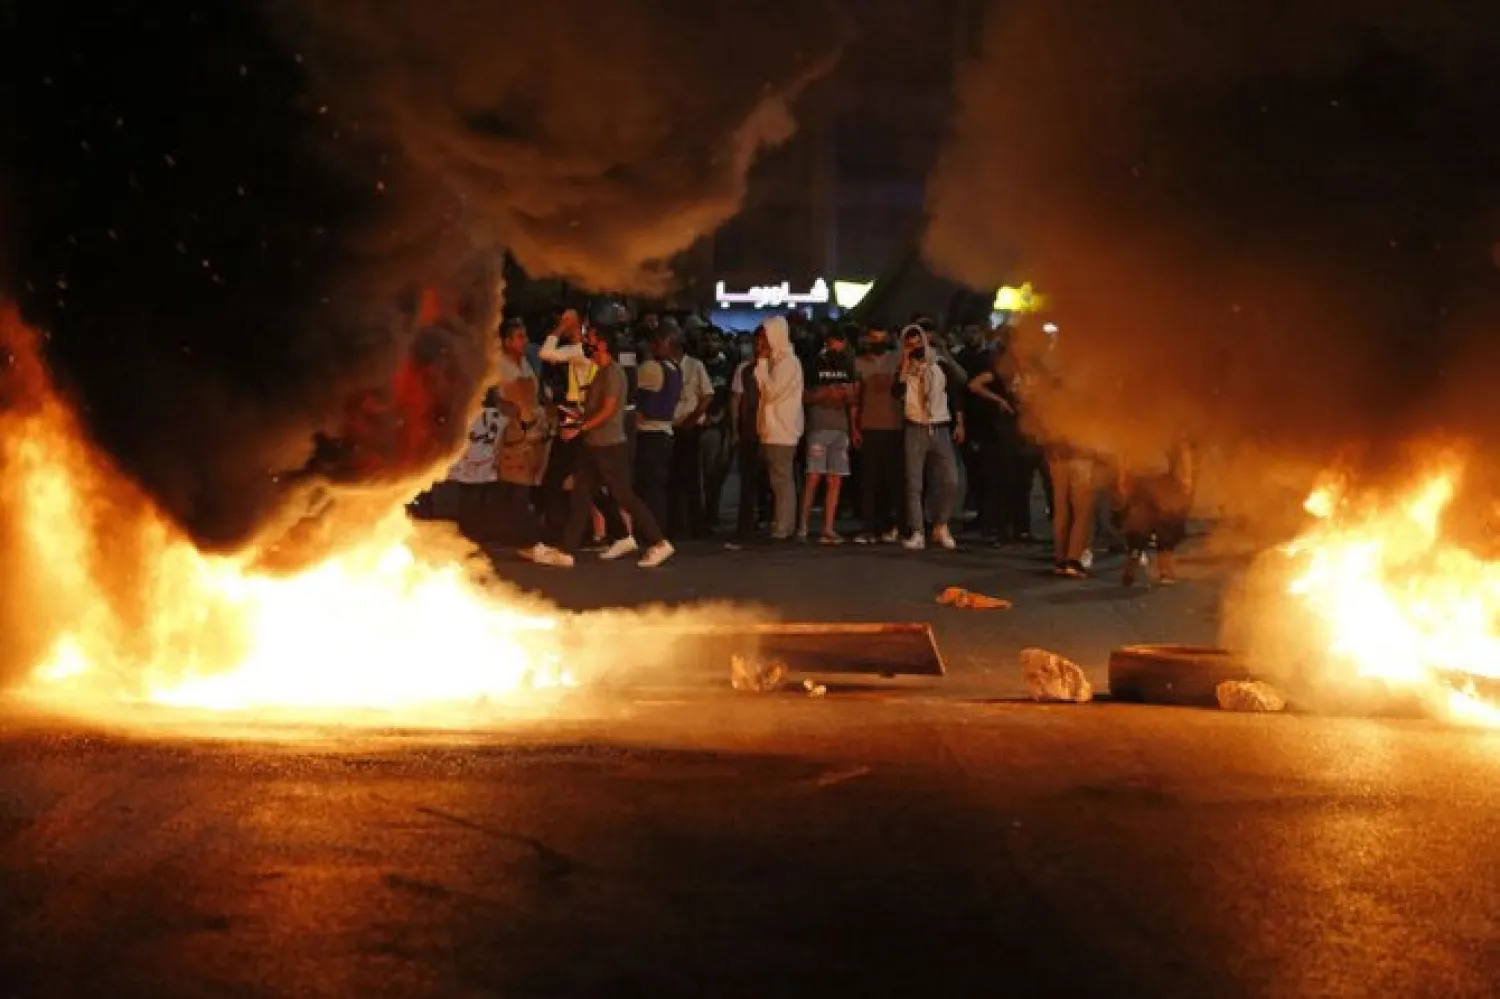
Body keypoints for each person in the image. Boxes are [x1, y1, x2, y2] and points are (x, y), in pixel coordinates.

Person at [557, 327, 674, 568]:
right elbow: (595, 408)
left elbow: (608, 410)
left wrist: (581, 427)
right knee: (584, 493)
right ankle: (569, 550)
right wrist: (575, 418)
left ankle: (659, 542)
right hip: (594, 444)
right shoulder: (599, 372)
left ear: (602, 345)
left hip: (609, 446)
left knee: (624, 496)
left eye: (590, 340)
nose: (586, 344)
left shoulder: (613, 373)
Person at [492, 318, 568, 565]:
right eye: (519, 337)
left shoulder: (525, 362)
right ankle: (522, 538)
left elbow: (535, 394)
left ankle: (529, 535)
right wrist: (518, 415)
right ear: (506, 341)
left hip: (535, 430)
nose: (524, 341)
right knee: (516, 485)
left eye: (525, 336)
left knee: (531, 484)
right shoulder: (499, 366)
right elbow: (498, 399)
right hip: (515, 431)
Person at [894, 324, 966, 550]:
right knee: (914, 482)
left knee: (951, 479)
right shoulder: (905, 368)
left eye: (918, 342)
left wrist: (960, 423)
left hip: (940, 426)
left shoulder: (940, 365)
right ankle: (917, 531)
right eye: (909, 343)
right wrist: (905, 363)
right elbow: (895, 392)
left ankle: (941, 524)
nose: (914, 347)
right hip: (915, 427)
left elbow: (956, 391)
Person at [798, 324, 858, 544]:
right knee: (813, 476)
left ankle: (828, 529)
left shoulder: (847, 364)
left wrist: (853, 427)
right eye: (836, 343)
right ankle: (802, 527)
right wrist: (826, 393)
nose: (839, 348)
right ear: (828, 342)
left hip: (840, 429)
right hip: (818, 426)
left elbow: (853, 396)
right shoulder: (813, 363)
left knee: (836, 479)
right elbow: (804, 396)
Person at [966, 341, 1023, 544]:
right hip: (1000, 431)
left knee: (1013, 481)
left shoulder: (1024, 371)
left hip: (1019, 429)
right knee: (999, 481)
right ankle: (995, 528)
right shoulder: (997, 372)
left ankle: (1009, 527)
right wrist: (998, 400)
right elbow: (974, 385)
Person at [1120, 437, 1196, 586]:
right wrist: (1187, 476)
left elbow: (1124, 449)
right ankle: (1163, 569)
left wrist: (1123, 476)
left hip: (1145, 477)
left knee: (1144, 522)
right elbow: (1183, 446)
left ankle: (1134, 562)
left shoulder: (1135, 420)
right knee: (1163, 522)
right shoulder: (1166, 419)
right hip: (1155, 477)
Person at [853, 323, 904, 544]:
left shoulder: (897, 360)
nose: (878, 343)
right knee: (869, 481)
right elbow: (855, 398)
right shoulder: (858, 363)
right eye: (874, 338)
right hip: (869, 426)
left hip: (894, 427)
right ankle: (868, 528)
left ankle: (890, 526)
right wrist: (854, 427)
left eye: (882, 338)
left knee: (891, 481)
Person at [755, 316, 804, 541]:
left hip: (782, 430)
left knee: (781, 480)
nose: (762, 343)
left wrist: (762, 364)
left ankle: (784, 526)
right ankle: (782, 522)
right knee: (778, 481)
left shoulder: (787, 363)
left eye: (765, 337)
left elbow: (771, 392)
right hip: (774, 429)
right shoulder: (780, 361)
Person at [632, 326, 682, 534]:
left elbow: (634, 396)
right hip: (666, 433)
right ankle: (658, 528)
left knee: (648, 488)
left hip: (649, 433)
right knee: (658, 488)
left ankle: (650, 532)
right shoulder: (675, 368)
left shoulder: (650, 368)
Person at [669, 332, 714, 539]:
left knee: (691, 479)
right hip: (670, 426)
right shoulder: (665, 366)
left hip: (690, 426)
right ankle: (676, 525)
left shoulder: (695, 366)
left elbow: (707, 395)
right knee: (673, 479)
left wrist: (694, 416)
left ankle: (697, 525)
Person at [699, 328, 736, 532]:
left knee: (715, 472)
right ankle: (702, 514)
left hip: (719, 426)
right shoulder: (699, 365)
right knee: (700, 474)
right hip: (698, 423)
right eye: (707, 340)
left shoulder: (727, 366)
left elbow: (732, 396)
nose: (711, 344)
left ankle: (712, 512)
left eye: (714, 340)